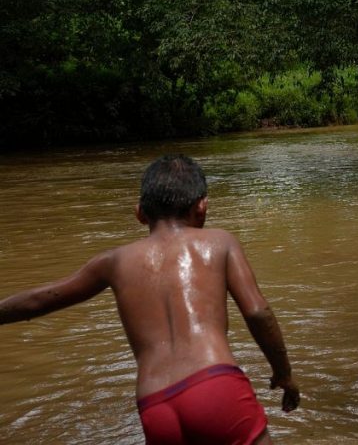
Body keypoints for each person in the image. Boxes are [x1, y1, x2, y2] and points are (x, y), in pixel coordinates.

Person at [0, 155, 300, 444]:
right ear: (202, 207)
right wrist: (284, 374)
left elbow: (39, 300)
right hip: (215, 385)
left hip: (155, 405)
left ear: (140, 212)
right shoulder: (220, 242)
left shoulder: (114, 261)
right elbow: (258, 312)